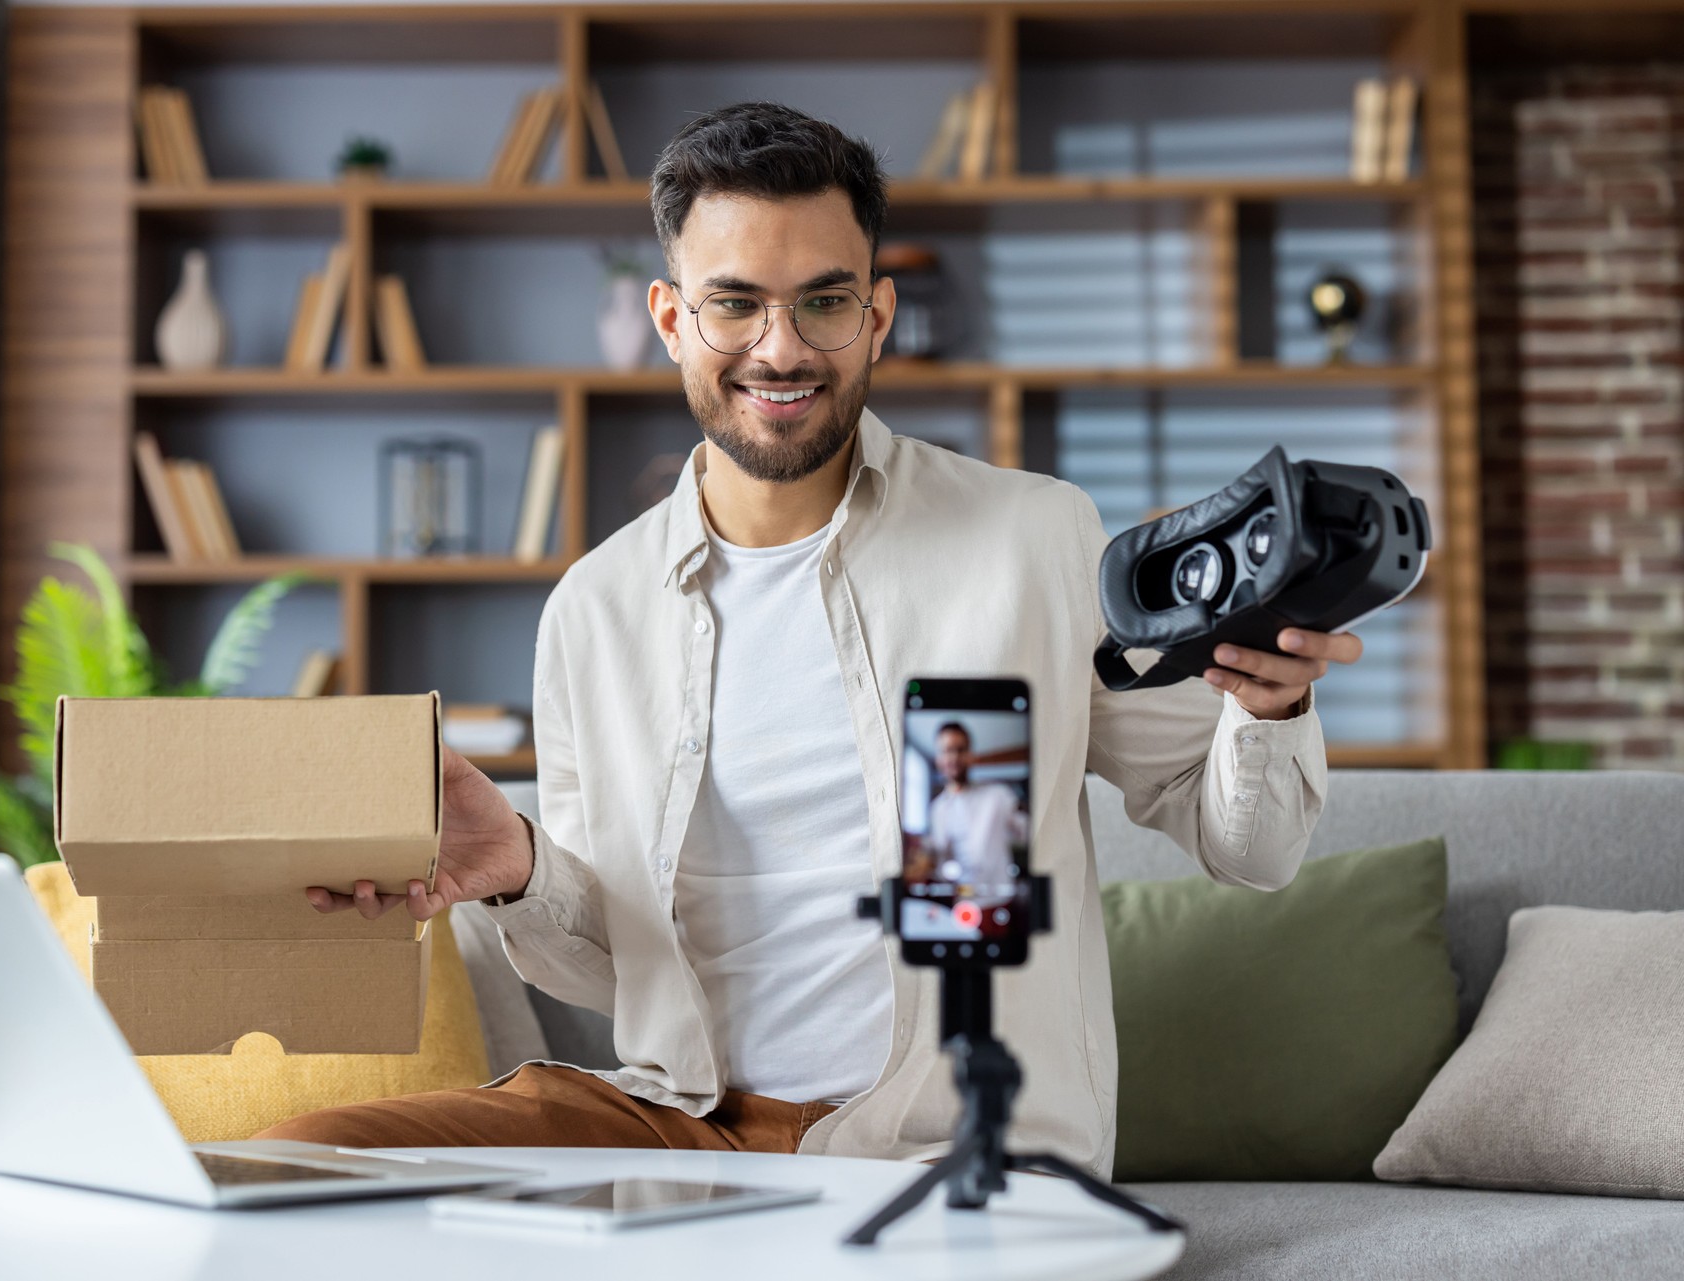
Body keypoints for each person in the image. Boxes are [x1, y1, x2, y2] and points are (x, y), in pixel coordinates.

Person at [261, 102, 1355, 1177]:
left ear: (876, 315)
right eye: (734, 304)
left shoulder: (1031, 539)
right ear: (671, 319)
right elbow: (606, 974)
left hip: (945, 1144)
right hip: (682, 1123)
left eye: (823, 301)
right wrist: (517, 869)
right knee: (294, 1167)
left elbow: (1250, 851)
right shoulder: (595, 611)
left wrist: (1268, 710)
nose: (781, 350)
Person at [924, 722, 1027, 885]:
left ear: (970, 754)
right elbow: (940, 858)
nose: (954, 757)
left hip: (998, 897)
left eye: (960, 750)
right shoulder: (937, 809)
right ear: (938, 758)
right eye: (947, 750)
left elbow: (1028, 833)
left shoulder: (999, 795)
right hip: (957, 900)